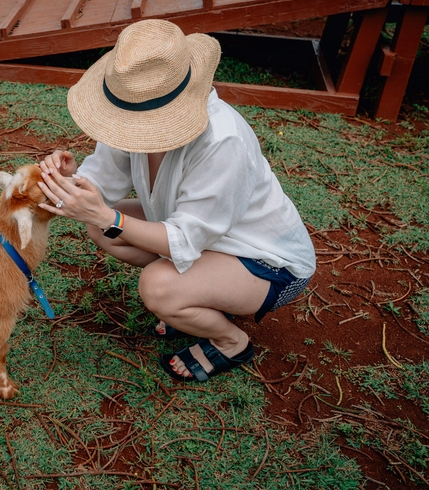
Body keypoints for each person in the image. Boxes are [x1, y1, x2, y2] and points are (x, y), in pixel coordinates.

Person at [37, 19, 316, 383]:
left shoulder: (223, 140)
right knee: (100, 224)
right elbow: (101, 186)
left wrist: (111, 217)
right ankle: (201, 296)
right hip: (206, 239)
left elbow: (182, 239)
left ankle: (231, 341)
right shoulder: (131, 111)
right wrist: (69, 181)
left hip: (268, 263)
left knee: (157, 286)